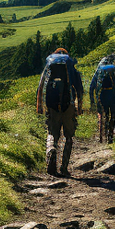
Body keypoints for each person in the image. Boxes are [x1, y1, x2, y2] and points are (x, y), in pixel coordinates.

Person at [36, 47, 82, 176]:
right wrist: (79, 107)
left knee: (52, 132)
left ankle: (51, 148)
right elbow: (79, 90)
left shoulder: (49, 67)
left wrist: (39, 105)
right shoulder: (72, 69)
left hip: (52, 104)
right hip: (69, 104)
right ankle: (64, 167)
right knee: (69, 136)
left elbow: (41, 86)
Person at [89, 54, 115, 143]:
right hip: (113, 95)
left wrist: (92, 100)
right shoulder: (113, 69)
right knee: (113, 115)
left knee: (103, 115)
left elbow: (92, 86)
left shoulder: (99, 70)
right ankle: (110, 136)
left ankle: (101, 136)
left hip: (102, 96)